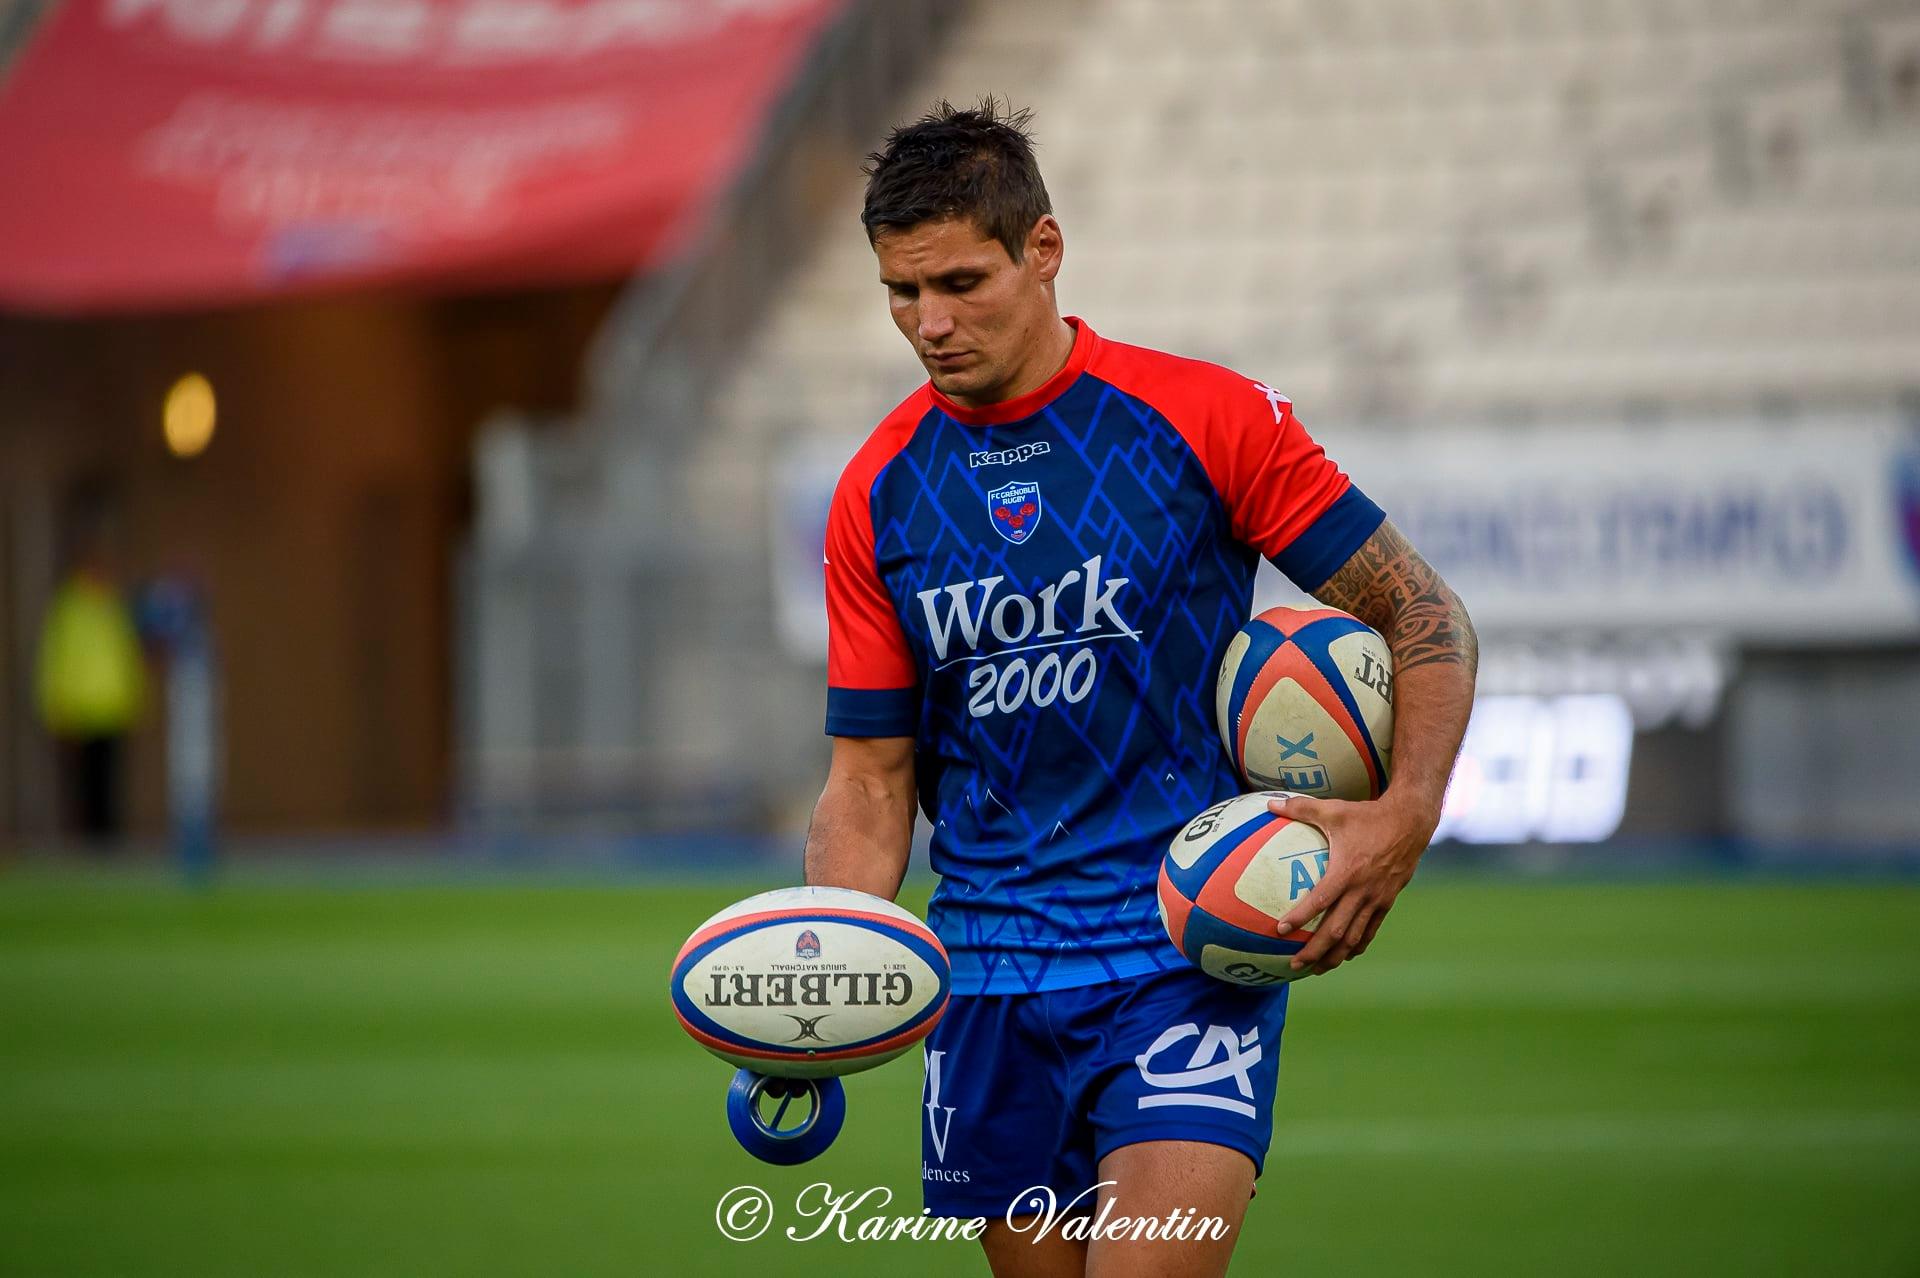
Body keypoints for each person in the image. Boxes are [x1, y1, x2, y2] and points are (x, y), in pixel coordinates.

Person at [808, 99, 1477, 1278]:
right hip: (986, 974)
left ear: (1045, 251)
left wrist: (1406, 812)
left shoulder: (1202, 418)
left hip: (1188, 949)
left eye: (961, 281)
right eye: (902, 295)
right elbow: (869, 781)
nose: (931, 322)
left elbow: (1424, 618)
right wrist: (820, 979)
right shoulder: (878, 492)